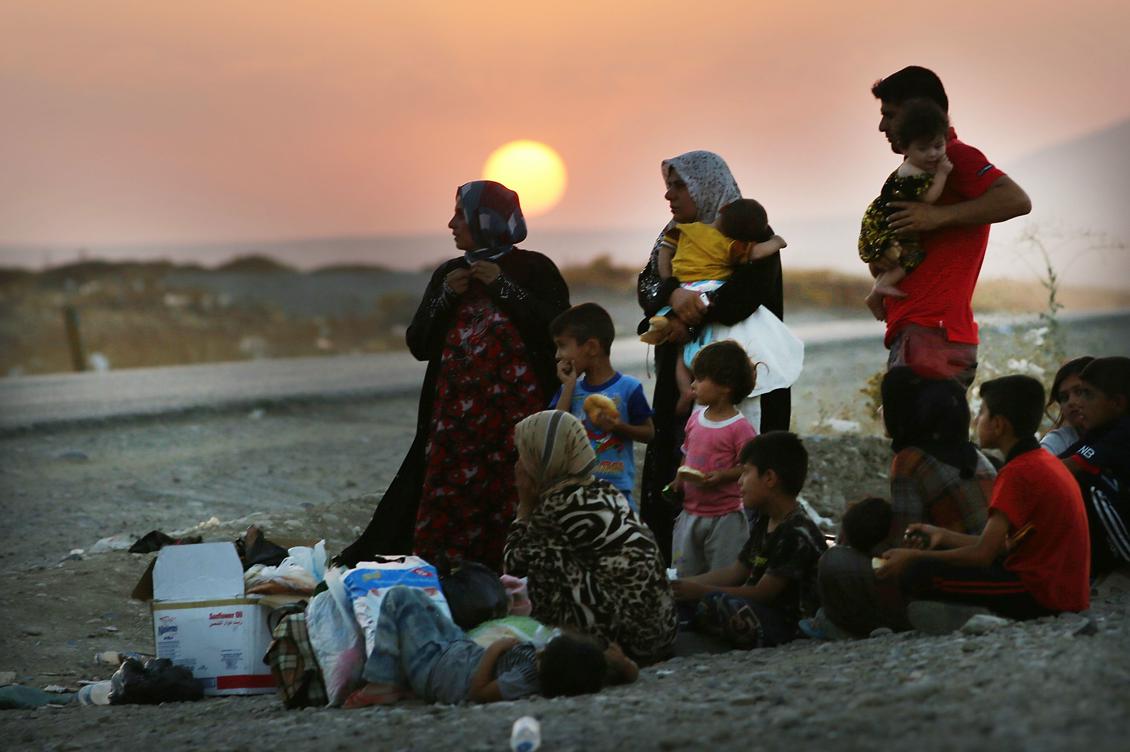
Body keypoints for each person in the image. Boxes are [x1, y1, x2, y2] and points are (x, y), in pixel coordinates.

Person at [337, 180, 570, 571]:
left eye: (461, 215)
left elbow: (558, 329)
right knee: (448, 510)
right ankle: (451, 582)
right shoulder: (450, 273)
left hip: (517, 430)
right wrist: (445, 296)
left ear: (487, 220)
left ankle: (512, 582)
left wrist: (502, 286)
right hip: (454, 432)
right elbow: (419, 344)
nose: (451, 224)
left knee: (515, 502)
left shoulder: (534, 269)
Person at [637, 150, 791, 565]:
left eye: (679, 185)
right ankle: (675, 567)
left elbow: (745, 295)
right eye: (668, 186)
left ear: (705, 186)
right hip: (681, 374)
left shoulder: (748, 230)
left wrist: (694, 306)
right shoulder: (674, 234)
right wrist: (673, 294)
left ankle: (743, 572)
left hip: (744, 375)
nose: (669, 195)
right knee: (678, 462)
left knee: (746, 469)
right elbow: (647, 287)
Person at [878, 375, 1090, 628]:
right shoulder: (1042, 462)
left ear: (998, 425)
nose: (977, 421)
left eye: (982, 413)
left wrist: (913, 556)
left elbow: (983, 554)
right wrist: (942, 535)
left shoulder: (1016, 473)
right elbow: (1002, 544)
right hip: (1067, 591)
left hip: (1041, 595)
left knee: (916, 574)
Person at [869, 66, 1031, 386]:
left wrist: (937, 216)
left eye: (890, 115)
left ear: (919, 111)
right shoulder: (916, 171)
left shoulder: (956, 156)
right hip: (918, 329)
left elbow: (1016, 200)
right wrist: (881, 256)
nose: (882, 126)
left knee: (917, 417)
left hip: (933, 331)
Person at [816, 367, 995, 637]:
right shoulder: (975, 455)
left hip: (951, 584)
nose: (881, 411)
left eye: (887, 404)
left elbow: (902, 547)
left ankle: (862, 624)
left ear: (905, 414)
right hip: (985, 576)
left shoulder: (910, 460)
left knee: (834, 562)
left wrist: (856, 538)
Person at [503, 410, 678, 665]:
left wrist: (524, 507)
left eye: (524, 454)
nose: (519, 464)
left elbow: (514, 567)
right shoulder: (603, 488)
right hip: (662, 631)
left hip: (630, 645)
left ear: (543, 457)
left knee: (542, 581)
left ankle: (588, 657)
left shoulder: (557, 507)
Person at [342, 586, 637, 707]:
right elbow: (622, 672)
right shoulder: (579, 674)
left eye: (542, 655)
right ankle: (399, 680)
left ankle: (382, 683)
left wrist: (496, 649)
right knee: (422, 601)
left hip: (436, 669)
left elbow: (479, 693)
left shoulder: (525, 678)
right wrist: (623, 664)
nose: (539, 650)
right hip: (458, 651)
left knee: (398, 598)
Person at [671, 432, 827, 649]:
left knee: (717, 603)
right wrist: (682, 586)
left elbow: (763, 594)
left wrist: (699, 591)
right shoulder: (766, 520)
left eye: (745, 472)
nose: (739, 481)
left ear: (769, 478)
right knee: (687, 599)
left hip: (787, 624)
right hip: (756, 608)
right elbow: (736, 571)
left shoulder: (796, 532)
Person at [640, 198, 792, 416]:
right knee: (700, 356)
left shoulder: (685, 230)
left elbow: (664, 252)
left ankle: (682, 382)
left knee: (681, 352)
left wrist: (670, 283)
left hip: (684, 289)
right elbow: (756, 254)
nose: (669, 195)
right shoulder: (728, 244)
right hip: (708, 295)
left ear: (722, 208)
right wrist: (777, 242)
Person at [549, 303, 655, 512]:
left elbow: (649, 433)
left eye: (562, 345)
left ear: (591, 347)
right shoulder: (568, 391)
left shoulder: (629, 388)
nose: (557, 355)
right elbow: (554, 431)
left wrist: (618, 427)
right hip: (577, 495)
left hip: (618, 494)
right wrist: (568, 386)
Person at [859, 99, 954, 321]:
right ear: (906, 149)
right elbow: (928, 199)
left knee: (894, 259)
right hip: (889, 225)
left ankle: (876, 293)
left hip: (886, 219)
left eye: (938, 146)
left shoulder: (913, 166)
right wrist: (942, 174)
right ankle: (880, 288)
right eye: (923, 149)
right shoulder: (912, 172)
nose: (933, 154)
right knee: (911, 255)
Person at [670, 341, 757, 577]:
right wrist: (679, 478)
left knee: (721, 576)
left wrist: (723, 476)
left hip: (725, 517)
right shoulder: (695, 419)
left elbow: (750, 467)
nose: (693, 384)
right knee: (686, 573)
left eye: (700, 379)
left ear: (725, 387)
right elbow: (687, 453)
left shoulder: (739, 428)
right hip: (691, 513)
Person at [1061, 356, 1130, 575]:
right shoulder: (1100, 430)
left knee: (1090, 483)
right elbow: (1056, 462)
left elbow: (1070, 466)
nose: (1078, 402)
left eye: (1087, 394)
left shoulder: (1124, 431)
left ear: (1117, 403)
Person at [1040, 356, 1095, 456]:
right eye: (1064, 397)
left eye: (1079, 391)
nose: (1071, 402)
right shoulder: (1056, 442)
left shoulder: (1122, 433)